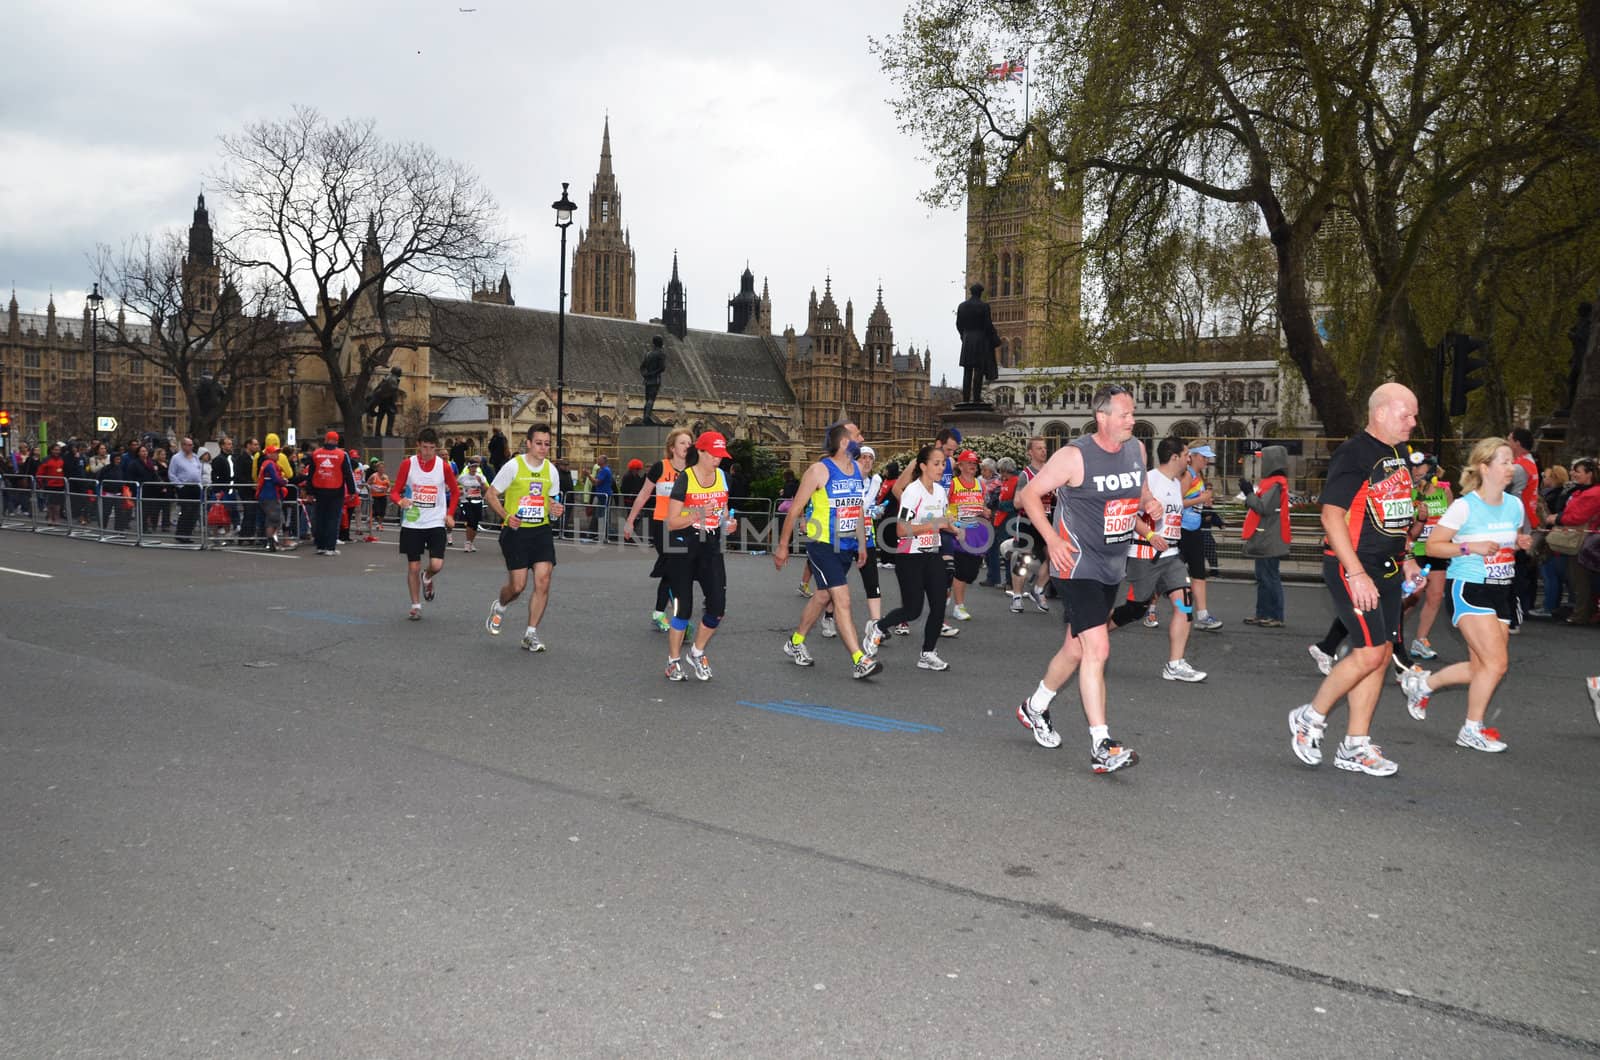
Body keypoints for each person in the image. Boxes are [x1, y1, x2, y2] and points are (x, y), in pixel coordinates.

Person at [1012, 384, 1162, 773]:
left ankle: (1035, 707)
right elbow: (1028, 495)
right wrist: (1052, 538)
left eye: (1132, 414)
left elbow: (1139, 491)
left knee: (1076, 650)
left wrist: (1149, 504)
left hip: (1112, 564)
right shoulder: (1074, 456)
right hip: (1076, 565)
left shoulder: (1137, 450)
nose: (1133, 420)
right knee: (1098, 649)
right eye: (1126, 415)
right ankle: (1102, 745)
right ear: (1103, 417)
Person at [1288, 383, 1424, 778]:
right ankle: (1309, 718)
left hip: (1388, 567)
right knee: (1366, 653)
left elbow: (1395, 513)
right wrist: (1357, 573)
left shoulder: (1397, 453)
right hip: (1354, 566)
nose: (1413, 422)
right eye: (1406, 414)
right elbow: (1331, 516)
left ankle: (1355, 745)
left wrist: (1410, 557)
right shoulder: (1354, 453)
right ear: (1380, 413)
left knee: (1379, 655)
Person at [1406, 438, 1532, 752]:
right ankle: (1471, 728)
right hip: (1470, 587)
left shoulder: (1514, 505)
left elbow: (1509, 539)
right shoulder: (1464, 506)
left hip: (1502, 589)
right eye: (1503, 461)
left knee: (1482, 668)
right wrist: (1469, 547)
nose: (1511, 467)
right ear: (1484, 467)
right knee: (1497, 664)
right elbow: (1434, 546)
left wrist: (1518, 543)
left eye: (1511, 461)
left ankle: (1423, 684)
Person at [773, 420, 882, 678]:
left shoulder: (856, 469)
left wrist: (862, 544)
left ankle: (795, 643)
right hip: (822, 544)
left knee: (823, 596)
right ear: (845, 442)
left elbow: (857, 508)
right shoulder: (819, 470)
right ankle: (859, 660)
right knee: (842, 599)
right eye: (858, 434)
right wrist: (782, 546)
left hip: (847, 545)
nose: (862, 437)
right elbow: (795, 508)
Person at [1105, 436, 1206, 681]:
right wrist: (1150, 534)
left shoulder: (1175, 483)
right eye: (1185, 455)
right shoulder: (1149, 481)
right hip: (1145, 557)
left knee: (1185, 605)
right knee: (1134, 610)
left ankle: (1175, 664)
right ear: (1174, 457)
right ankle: (1090, 636)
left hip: (1171, 557)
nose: (1188, 459)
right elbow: (1126, 513)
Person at [870, 443, 953, 670]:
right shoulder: (912, 492)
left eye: (943, 463)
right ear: (923, 466)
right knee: (913, 610)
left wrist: (955, 527)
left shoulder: (940, 491)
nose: (941, 468)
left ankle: (927, 653)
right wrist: (934, 524)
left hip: (932, 554)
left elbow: (944, 520)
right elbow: (901, 530)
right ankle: (879, 627)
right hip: (910, 557)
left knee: (939, 605)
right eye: (936, 464)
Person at [662, 432, 737, 681]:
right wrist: (696, 513)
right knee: (684, 609)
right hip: (683, 542)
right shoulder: (686, 478)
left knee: (718, 607)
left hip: (710, 542)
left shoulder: (722, 477)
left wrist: (728, 522)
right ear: (702, 453)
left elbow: (723, 511)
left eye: (721, 456)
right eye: (714, 455)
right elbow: (671, 522)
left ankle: (696, 651)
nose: (718, 460)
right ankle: (673, 661)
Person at [483, 423, 564, 652]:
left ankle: (531, 634)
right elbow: (491, 494)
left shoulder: (551, 471)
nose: (543, 448)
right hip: (516, 532)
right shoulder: (513, 467)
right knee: (518, 586)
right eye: (538, 443)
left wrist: (556, 509)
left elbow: (550, 502)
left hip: (541, 530)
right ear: (528, 443)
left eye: (547, 444)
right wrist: (507, 517)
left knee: (543, 580)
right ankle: (500, 606)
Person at [622, 428, 693, 632]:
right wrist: (630, 521)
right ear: (672, 447)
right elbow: (643, 495)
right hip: (663, 524)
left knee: (675, 570)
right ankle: (669, 615)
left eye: (689, 443)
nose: (687, 446)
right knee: (673, 567)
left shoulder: (693, 471)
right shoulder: (660, 468)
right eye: (682, 443)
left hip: (685, 525)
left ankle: (662, 612)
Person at [391, 427, 460, 621]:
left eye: (431, 448)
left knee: (436, 564)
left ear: (436, 448)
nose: (428, 452)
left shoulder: (443, 466)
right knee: (413, 566)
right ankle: (415, 605)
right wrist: (400, 501)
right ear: (418, 446)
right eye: (425, 447)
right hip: (413, 522)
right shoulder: (408, 464)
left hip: (435, 521)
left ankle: (427, 576)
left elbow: (455, 492)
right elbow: (395, 491)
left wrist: (450, 514)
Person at [1406, 454, 1453, 657]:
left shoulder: (1445, 491)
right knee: (1412, 597)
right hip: (1416, 552)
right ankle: (1389, 633)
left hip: (1438, 551)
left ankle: (1420, 640)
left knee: (1434, 597)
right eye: (1413, 467)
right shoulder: (1409, 492)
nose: (1415, 471)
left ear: (1431, 469)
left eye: (1419, 467)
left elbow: (1454, 521)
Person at [1242, 444, 1292, 626]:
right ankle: (1263, 614)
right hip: (1268, 537)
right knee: (1264, 577)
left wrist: (1248, 493)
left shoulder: (1275, 485)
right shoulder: (1275, 483)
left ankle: (1275, 616)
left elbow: (1263, 508)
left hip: (1270, 538)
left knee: (1269, 577)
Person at [1008, 435, 1054, 615]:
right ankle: (1017, 597)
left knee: (1055, 558)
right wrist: (1035, 493)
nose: (1043, 451)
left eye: (1044, 448)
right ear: (1030, 452)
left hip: (1047, 520)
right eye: (1039, 448)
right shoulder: (1025, 475)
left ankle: (1038, 588)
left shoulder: (1052, 472)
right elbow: (1017, 503)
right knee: (1023, 559)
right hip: (1028, 520)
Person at [1551, 458, 1600, 625]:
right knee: (1579, 579)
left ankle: (1581, 615)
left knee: (1580, 579)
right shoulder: (1581, 491)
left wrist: (1557, 518)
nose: (1572, 473)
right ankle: (1585, 612)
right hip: (1582, 540)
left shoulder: (1592, 493)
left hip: (1583, 542)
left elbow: (1578, 516)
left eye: (1577, 471)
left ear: (1589, 474)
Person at [1179, 443, 1223, 630]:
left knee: (1198, 574)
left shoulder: (1197, 476)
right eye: (1203, 457)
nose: (1206, 460)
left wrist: (1205, 501)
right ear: (1192, 456)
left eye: (1207, 457)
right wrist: (1201, 499)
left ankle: (1203, 615)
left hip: (1193, 530)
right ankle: (1151, 609)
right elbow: (1177, 502)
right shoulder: (1188, 474)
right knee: (1167, 574)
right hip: (1181, 531)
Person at [946, 450, 988, 622]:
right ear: (960, 465)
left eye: (974, 463)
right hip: (958, 531)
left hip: (976, 533)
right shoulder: (953, 484)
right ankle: (959, 606)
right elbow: (945, 506)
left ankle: (947, 592)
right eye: (969, 463)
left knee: (970, 573)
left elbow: (982, 506)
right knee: (961, 571)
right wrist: (953, 522)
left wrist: (985, 511)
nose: (972, 466)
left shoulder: (980, 484)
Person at [1507, 428, 1541, 627]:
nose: (1507, 443)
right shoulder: (1529, 463)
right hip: (1524, 522)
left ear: (1517, 443)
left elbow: (1514, 495)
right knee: (1515, 570)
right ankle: (1512, 614)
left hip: (1519, 524)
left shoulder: (1519, 467)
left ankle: (1514, 616)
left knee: (1514, 572)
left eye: (1509, 439)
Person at [309, 431, 356, 555]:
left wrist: (310, 492)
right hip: (336, 490)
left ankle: (320, 546)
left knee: (320, 519)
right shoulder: (342, 454)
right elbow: (348, 473)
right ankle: (330, 547)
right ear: (336, 441)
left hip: (319, 489)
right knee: (333, 519)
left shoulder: (316, 454)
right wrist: (352, 490)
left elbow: (311, 474)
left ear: (325, 439)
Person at [955, 283, 1001, 405]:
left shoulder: (962, 306)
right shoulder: (984, 306)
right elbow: (988, 325)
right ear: (980, 293)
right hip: (980, 340)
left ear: (971, 292)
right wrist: (993, 337)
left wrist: (963, 336)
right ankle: (976, 398)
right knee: (979, 370)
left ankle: (965, 398)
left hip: (967, 339)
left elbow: (958, 324)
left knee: (967, 370)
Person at [254, 435, 292, 551]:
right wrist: (284, 482)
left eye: (277, 452)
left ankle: (272, 542)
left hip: (267, 495)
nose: (277, 455)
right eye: (275, 453)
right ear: (269, 454)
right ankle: (272, 542)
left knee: (273, 519)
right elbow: (276, 479)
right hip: (270, 495)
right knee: (274, 519)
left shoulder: (267, 464)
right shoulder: (270, 464)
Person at [168, 436, 205, 543]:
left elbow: (199, 471)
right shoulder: (176, 458)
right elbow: (172, 474)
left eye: (191, 445)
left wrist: (200, 483)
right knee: (186, 511)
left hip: (196, 487)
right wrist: (180, 486)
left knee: (194, 511)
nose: (190, 447)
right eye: (188, 445)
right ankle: (181, 533)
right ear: (183, 445)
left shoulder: (195, 457)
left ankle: (188, 534)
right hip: (184, 487)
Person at [456, 455, 490, 552]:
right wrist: (460, 492)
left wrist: (482, 484)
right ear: (469, 467)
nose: (474, 469)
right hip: (466, 501)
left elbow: (486, 489)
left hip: (477, 500)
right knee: (470, 521)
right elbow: (454, 486)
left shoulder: (481, 477)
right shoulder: (463, 477)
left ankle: (471, 542)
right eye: (473, 466)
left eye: (476, 467)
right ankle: (467, 542)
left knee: (475, 523)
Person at [590, 454, 615, 541]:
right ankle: (602, 534)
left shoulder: (604, 470)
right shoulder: (603, 470)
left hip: (604, 496)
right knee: (601, 515)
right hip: (602, 495)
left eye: (599, 459)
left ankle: (603, 535)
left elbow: (596, 482)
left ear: (603, 461)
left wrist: (588, 475)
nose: (597, 460)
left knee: (602, 515)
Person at [365, 458, 389, 538]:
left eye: (383, 467)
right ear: (377, 468)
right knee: (376, 511)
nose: (381, 469)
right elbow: (367, 483)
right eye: (380, 467)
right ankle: (371, 520)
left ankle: (380, 524)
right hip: (375, 496)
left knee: (382, 512)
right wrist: (371, 489)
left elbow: (388, 486)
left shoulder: (386, 477)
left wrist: (387, 489)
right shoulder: (373, 476)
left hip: (383, 496)